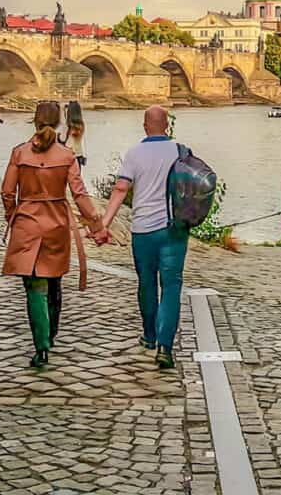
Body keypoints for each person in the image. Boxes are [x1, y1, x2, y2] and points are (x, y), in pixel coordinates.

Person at [1, 101, 101, 369]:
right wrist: (95, 222)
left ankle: (41, 347)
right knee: (53, 281)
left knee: (34, 287)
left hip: (27, 221)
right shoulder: (66, 156)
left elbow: (7, 192)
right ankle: (51, 332)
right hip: (56, 221)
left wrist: (13, 215)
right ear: (58, 123)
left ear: (34, 121)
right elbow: (79, 194)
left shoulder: (18, 153)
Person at [97, 104, 186, 370]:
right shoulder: (180, 151)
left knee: (147, 284)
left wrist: (104, 224)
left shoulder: (135, 153)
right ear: (167, 125)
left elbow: (121, 189)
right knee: (171, 286)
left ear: (145, 126)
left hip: (143, 231)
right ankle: (165, 347)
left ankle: (149, 335)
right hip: (174, 231)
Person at [63, 101, 87, 168]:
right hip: (79, 154)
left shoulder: (68, 126)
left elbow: (62, 138)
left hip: (68, 154)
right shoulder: (81, 125)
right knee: (76, 176)